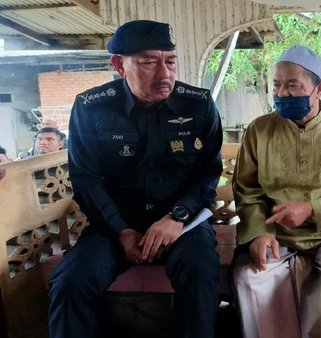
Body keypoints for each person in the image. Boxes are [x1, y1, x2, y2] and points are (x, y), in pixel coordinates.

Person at [48, 20, 223, 338]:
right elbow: (86, 178)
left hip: (181, 225)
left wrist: (177, 217)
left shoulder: (197, 105)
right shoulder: (91, 108)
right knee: (71, 282)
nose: (164, 74)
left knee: (201, 273)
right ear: (119, 65)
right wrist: (122, 231)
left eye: (170, 61)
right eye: (148, 62)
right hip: (114, 226)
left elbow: (208, 172)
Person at [232, 45, 321, 338]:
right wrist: (260, 232)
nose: (282, 93)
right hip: (277, 232)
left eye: (293, 85)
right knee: (250, 278)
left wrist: (313, 208)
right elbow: (247, 190)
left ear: (319, 88)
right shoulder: (259, 130)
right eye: (277, 84)